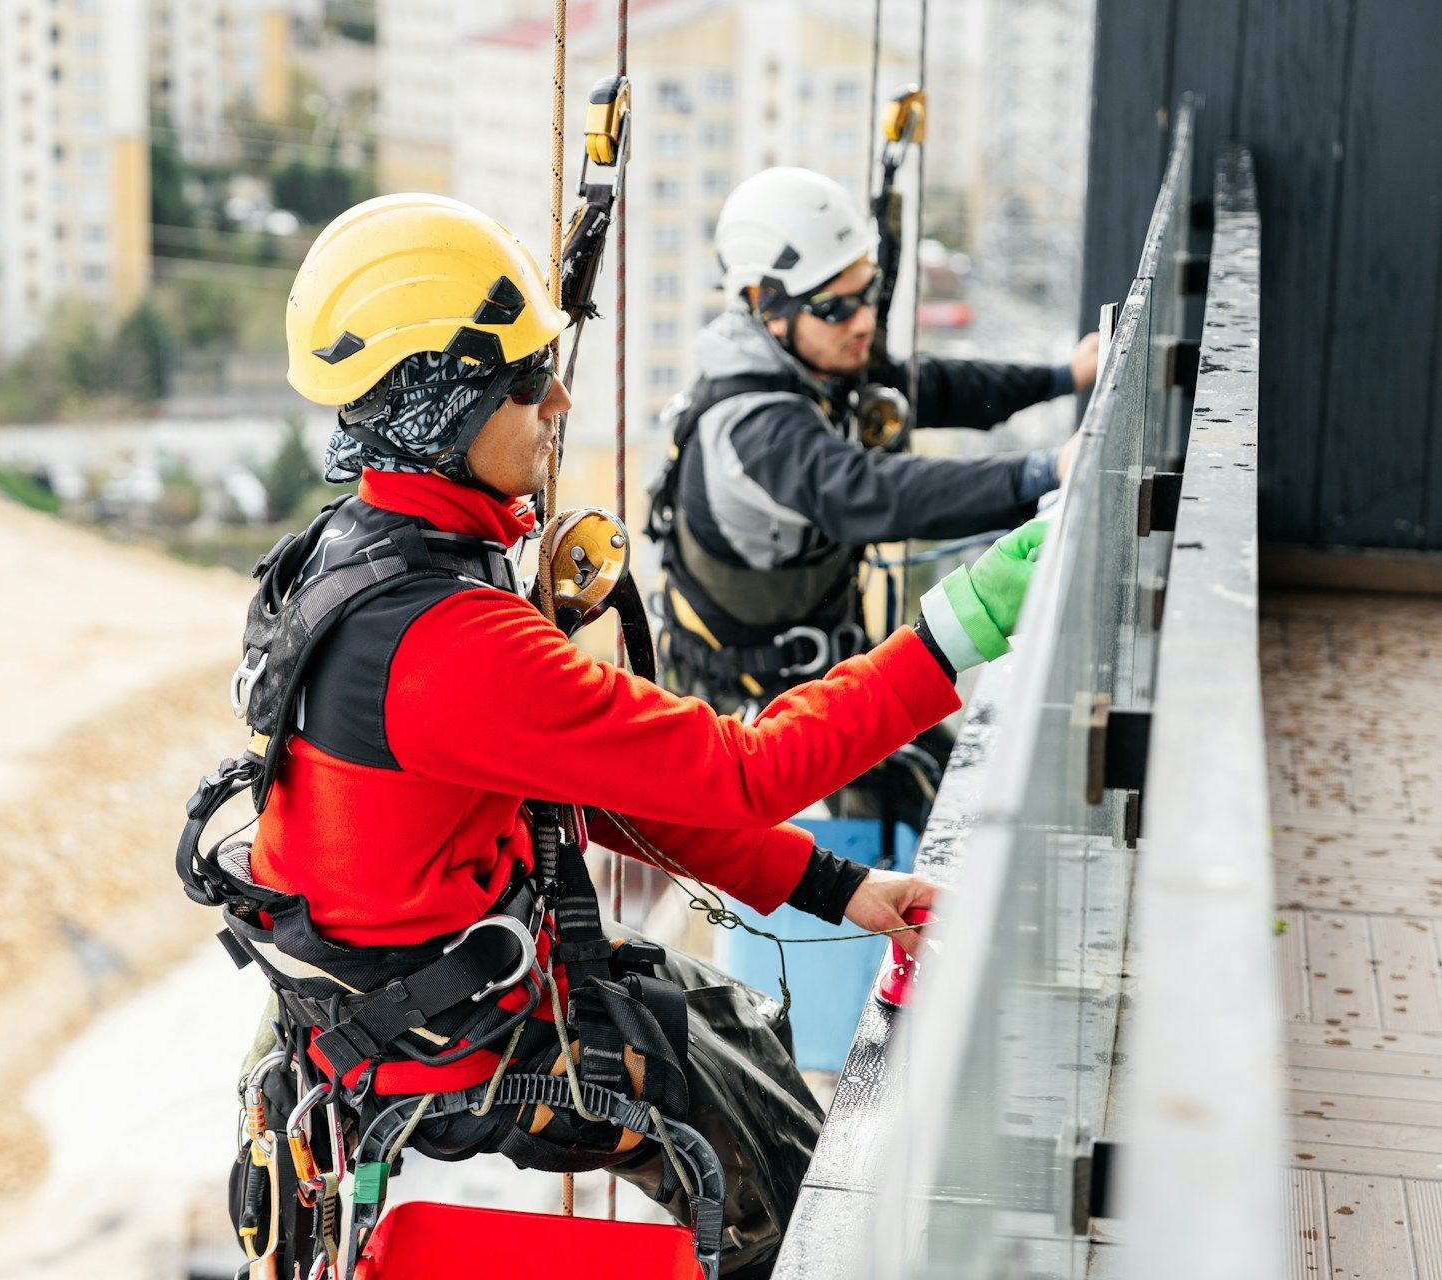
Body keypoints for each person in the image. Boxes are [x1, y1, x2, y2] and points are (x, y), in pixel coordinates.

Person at [189, 193, 1047, 1278]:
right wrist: (959, 625)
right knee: (778, 1175)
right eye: (520, 381)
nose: (555, 402)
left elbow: (583, 792)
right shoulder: (446, 638)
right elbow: (746, 768)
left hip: (422, 1003)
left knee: (741, 1027)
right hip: (453, 1036)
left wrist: (834, 886)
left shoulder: (366, 548)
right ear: (444, 408)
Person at [649, 165, 1096, 718]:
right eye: (835, 307)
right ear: (766, 304)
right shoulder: (753, 433)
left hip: (826, 678)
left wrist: (1062, 377)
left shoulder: (816, 358)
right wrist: (1044, 471)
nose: (863, 322)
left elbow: (928, 387)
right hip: (748, 716)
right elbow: (873, 492)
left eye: (869, 295)